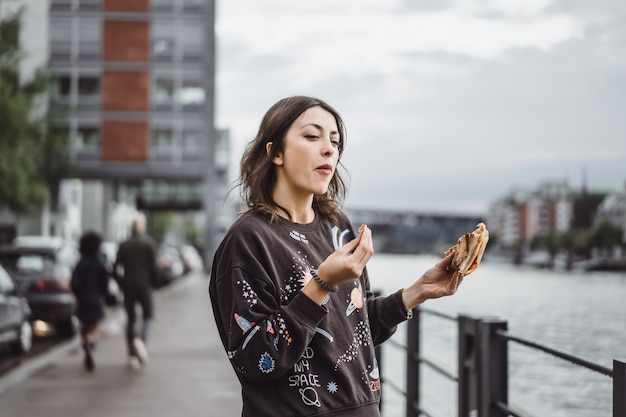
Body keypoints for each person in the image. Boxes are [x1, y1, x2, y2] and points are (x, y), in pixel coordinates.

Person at [208, 96, 465, 417]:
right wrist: (321, 284)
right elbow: (256, 361)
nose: (329, 149)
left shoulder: (338, 228)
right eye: (312, 136)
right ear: (275, 152)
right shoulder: (248, 238)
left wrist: (417, 292)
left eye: (335, 141)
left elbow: (355, 329)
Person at [113, 212, 160, 370]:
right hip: (145, 287)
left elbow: (116, 268)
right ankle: (141, 339)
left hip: (129, 287)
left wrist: (121, 283)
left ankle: (132, 355)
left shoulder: (124, 244)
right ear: (143, 227)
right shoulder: (149, 243)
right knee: (148, 317)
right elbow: (154, 267)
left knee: (131, 320)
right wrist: (156, 283)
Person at [71, 231, 110, 371]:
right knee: (93, 325)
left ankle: (85, 341)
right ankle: (90, 340)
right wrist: (104, 295)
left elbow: (74, 282)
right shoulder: (100, 263)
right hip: (96, 299)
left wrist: (78, 294)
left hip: (83, 299)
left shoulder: (80, 263)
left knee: (84, 325)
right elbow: (105, 282)